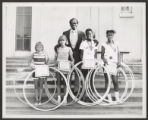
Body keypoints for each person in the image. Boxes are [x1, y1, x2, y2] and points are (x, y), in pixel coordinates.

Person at [63, 18, 85, 94]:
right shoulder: (65, 33)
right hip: (68, 57)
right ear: (70, 24)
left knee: (77, 74)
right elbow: (61, 44)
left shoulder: (82, 33)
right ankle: (67, 92)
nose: (74, 24)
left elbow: (85, 45)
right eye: (72, 23)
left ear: (77, 24)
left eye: (75, 23)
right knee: (68, 73)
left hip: (78, 56)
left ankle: (76, 91)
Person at [101, 30, 121, 102]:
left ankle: (117, 97)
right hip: (107, 64)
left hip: (114, 64)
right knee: (108, 81)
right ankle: (109, 97)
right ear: (106, 36)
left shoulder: (116, 43)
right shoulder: (104, 44)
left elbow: (118, 53)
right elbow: (102, 56)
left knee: (115, 81)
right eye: (109, 35)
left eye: (111, 35)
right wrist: (104, 60)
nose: (110, 36)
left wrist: (119, 62)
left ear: (113, 36)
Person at [54, 35, 74, 104]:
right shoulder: (58, 49)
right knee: (58, 82)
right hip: (59, 67)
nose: (62, 42)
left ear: (66, 41)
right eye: (61, 40)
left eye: (63, 40)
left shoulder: (69, 48)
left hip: (66, 67)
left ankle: (65, 97)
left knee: (66, 82)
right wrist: (56, 62)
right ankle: (59, 97)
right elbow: (55, 58)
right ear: (59, 42)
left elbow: (72, 58)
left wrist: (72, 63)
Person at [79, 28, 98, 100]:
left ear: (93, 34)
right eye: (88, 34)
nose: (89, 35)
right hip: (85, 63)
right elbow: (81, 54)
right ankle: (84, 95)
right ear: (86, 35)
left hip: (92, 63)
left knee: (91, 79)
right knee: (84, 79)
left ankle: (92, 96)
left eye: (91, 33)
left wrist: (95, 62)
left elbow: (95, 54)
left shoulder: (95, 43)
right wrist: (82, 62)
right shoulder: (83, 43)